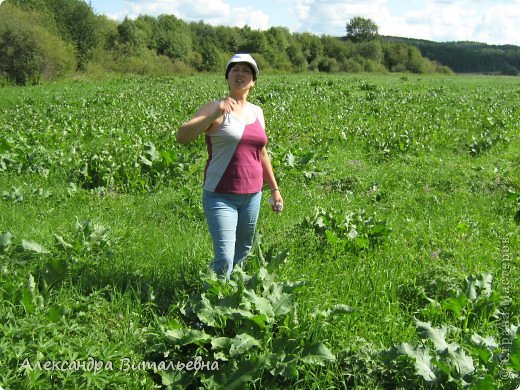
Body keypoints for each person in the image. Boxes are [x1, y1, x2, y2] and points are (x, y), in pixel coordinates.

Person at [176, 53, 283, 278]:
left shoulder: (257, 112)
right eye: (235, 69)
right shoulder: (215, 107)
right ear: (227, 77)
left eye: (246, 70)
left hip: (253, 195)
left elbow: (261, 152)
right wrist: (215, 113)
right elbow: (182, 136)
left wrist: (274, 188)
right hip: (221, 195)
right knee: (224, 257)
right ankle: (211, 306)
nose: (240, 74)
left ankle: (233, 298)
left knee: (243, 250)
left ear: (253, 81)